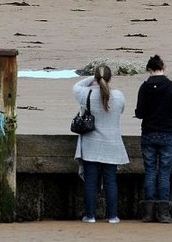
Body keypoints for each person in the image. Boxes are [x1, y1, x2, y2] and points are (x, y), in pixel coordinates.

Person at [72, 65, 129, 224]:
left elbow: (76, 86)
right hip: (112, 144)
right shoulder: (118, 96)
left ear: (95, 79)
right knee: (111, 181)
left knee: (90, 181)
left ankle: (90, 216)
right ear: (110, 79)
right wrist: (101, 79)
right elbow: (121, 110)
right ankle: (113, 216)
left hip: (90, 144)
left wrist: (93, 78)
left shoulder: (86, 94)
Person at [134, 54, 172, 224]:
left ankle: (148, 213)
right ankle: (163, 213)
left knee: (150, 172)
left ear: (149, 68)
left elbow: (139, 113)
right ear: (163, 66)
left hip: (148, 133)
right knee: (163, 173)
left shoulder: (144, 87)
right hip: (167, 133)